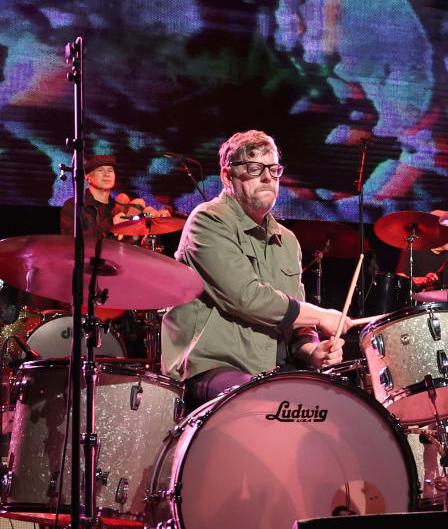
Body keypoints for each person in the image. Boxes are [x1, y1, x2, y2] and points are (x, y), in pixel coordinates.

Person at [161, 130, 350, 410]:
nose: (267, 178)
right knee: (264, 406)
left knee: (336, 406)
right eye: (254, 168)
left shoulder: (287, 240)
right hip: (213, 368)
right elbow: (245, 297)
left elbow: (298, 318)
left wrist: (312, 351)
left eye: (273, 170)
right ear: (227, 176)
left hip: (271, 371)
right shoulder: (208, 221)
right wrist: (323, 315)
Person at [59, 154, 170, 240]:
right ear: (88, 177)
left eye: (110, 171)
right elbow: (70, 242)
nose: (107, 174)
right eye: (100, 170)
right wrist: (111, 224)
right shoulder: (74, 205)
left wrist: (152, 218)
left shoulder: (120, 208)